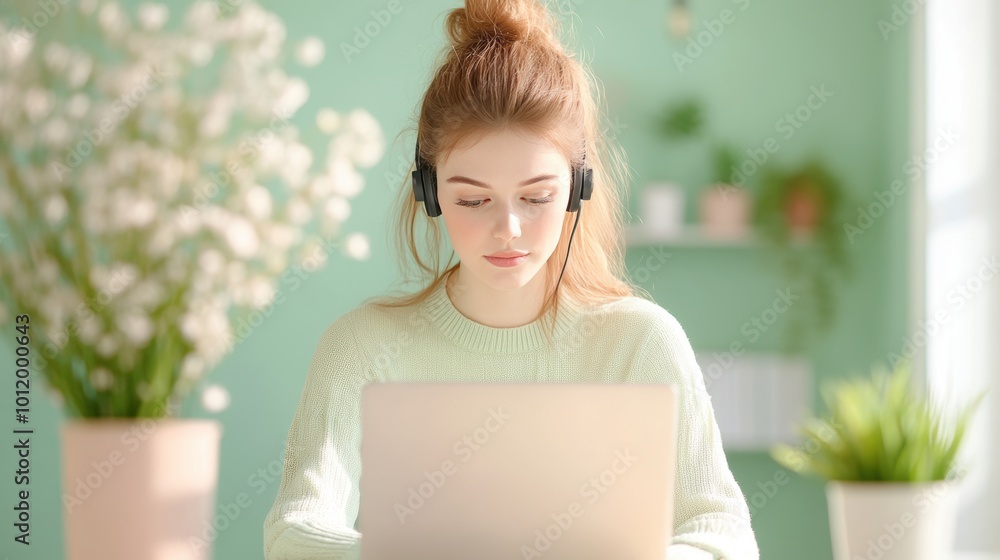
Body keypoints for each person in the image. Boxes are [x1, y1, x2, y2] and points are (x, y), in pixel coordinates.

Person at [263, 1, 760, 559]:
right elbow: (293, 532)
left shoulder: (640, 342)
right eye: (473, 199)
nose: (508, 229)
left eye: (536, 197)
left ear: (577, 189)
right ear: (430, 194)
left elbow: (726, 536)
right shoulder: (363, 347)